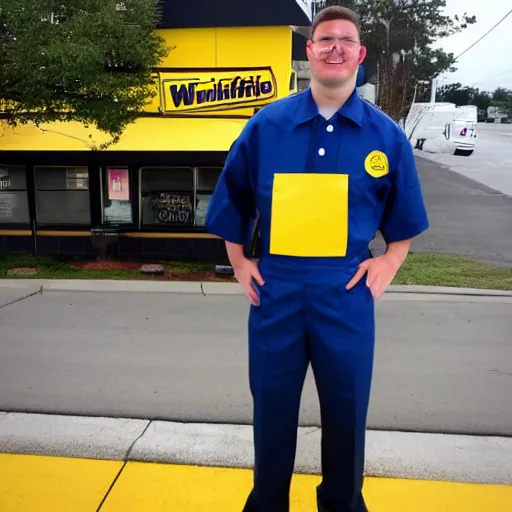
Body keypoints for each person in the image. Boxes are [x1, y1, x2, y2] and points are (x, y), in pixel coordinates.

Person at [205, 6, 429, 512]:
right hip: (277, 290)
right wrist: (241, 263)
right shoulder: (267, 126)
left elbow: (404, 218)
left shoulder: (385, 136)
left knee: (347, 414)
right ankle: (268, 503)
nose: (335, 48)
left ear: (359, 54)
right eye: (324, 39)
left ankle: (342, 504)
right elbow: (233, 200)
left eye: (345, 40)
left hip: (346, 290)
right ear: (309, 52)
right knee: (273, 411)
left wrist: (388, 263)